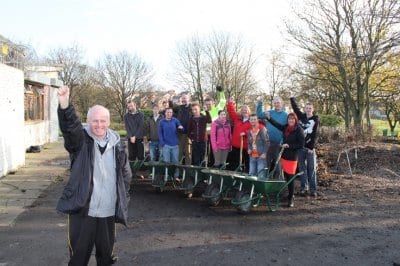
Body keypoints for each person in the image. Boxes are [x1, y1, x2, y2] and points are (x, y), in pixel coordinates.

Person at [56, 85, 132, 265]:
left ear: (109, 122)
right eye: (95, 121)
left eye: (103, 120)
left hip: (107, 211)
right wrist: (65, 104)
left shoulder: (118, 145)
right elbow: (70, 128)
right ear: (88, 121)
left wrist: (123, 196)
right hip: (84, 210)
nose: (99, 125)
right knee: (78, 258)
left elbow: (126, 173)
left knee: (106, 257)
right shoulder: (80, 142)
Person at [265, 111, 305, 207]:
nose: (290, 120)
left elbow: (301, 145)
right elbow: (277, 125)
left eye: (292, 119)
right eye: (289, 119)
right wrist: (269, 118)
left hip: (292, 157)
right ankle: (290, 194)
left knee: (291, 178)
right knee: (287, 177)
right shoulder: (286, 127)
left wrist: (289, 145)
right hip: (283, 156)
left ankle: (291, 198)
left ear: (295, 120)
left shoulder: (299, 130)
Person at [290, 97, 320, 197]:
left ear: (313, 109)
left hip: (310, 148)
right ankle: (304, 188)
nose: (308, 110)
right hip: (300, 147)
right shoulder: (301, 116)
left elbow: (315, 133)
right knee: (302, 168)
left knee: (311, 168)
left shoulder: (315, 119)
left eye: (310, 108)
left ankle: (313, 189)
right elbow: (295, 108)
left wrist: (312, 147)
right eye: (307, 108)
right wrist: (292, 98)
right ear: (305, 109)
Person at [256, 97, 288, 178]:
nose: (277, 104)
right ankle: (264, 180)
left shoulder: (286, 115)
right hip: (267, 142)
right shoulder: (269, 112)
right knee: (266, 163)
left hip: (278, 144)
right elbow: (259, 115)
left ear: (281, 103)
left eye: (278, 102)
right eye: (275, 103)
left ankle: (277, 182)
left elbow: (287, 130)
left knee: (277, 165)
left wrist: (282, 141)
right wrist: (260, 103)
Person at [226, 97, 252, 172]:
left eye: (246, 110)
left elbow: (254, 130)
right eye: (243, 110)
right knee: (234, 162)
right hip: (235, 145)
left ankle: (246, 176)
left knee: (246, 163)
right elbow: (231, 112)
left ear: (249, 111)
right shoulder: (237, 118)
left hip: (245, 146)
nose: (244, 111)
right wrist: (230, 103)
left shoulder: (252, 120)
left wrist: (246, 133)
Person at [203, 85, 227, 166]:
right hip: (206, 135)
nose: (208, 106)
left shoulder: (217, 109)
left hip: (216, 135)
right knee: (206, 152)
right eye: (207, 104)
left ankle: (215, 164)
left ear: (213, 103)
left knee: (215, 150)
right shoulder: (203, 113)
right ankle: (206, 164)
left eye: (210, 104)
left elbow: (223, 101)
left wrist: (221, 92)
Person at [158, 108, 184, 178]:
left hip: (175, 145)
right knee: (167, 162)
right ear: (165, 113)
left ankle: (175, 176)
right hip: (166, 145)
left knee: (175, 162)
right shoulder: (161, 122)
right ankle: (168, 176)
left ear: (172, 113)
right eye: (168, 112)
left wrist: (181, 127)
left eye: (170, 112)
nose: (169, 113)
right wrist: (162, 143)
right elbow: (160, 133)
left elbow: (181, 128)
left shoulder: (175, 120)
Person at [247, 114, 269, 180]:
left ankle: (260, 189)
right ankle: (252, 189)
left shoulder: (262, 130)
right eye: (251, 119)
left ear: (257, 120)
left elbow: (267, 142)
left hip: (261, 155)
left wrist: (264, 153)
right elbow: (249, 143)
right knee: (251, 174)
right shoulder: (249, 131)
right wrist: (249, 149)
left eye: (254, 119)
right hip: (253, 155)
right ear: (249, 121)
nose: (253, 121)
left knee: (261, 174)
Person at [173, 93, 192, 165]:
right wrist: (178, 102)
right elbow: (172, 106)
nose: (184, 100)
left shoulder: (191, 108)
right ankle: (178, 171)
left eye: (185, 98)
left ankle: (188, 172)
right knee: (179, 153)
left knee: (188, 153)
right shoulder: (179, 108)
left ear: (188, 99)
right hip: (180, 134)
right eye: (183, 98)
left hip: (189, 134)